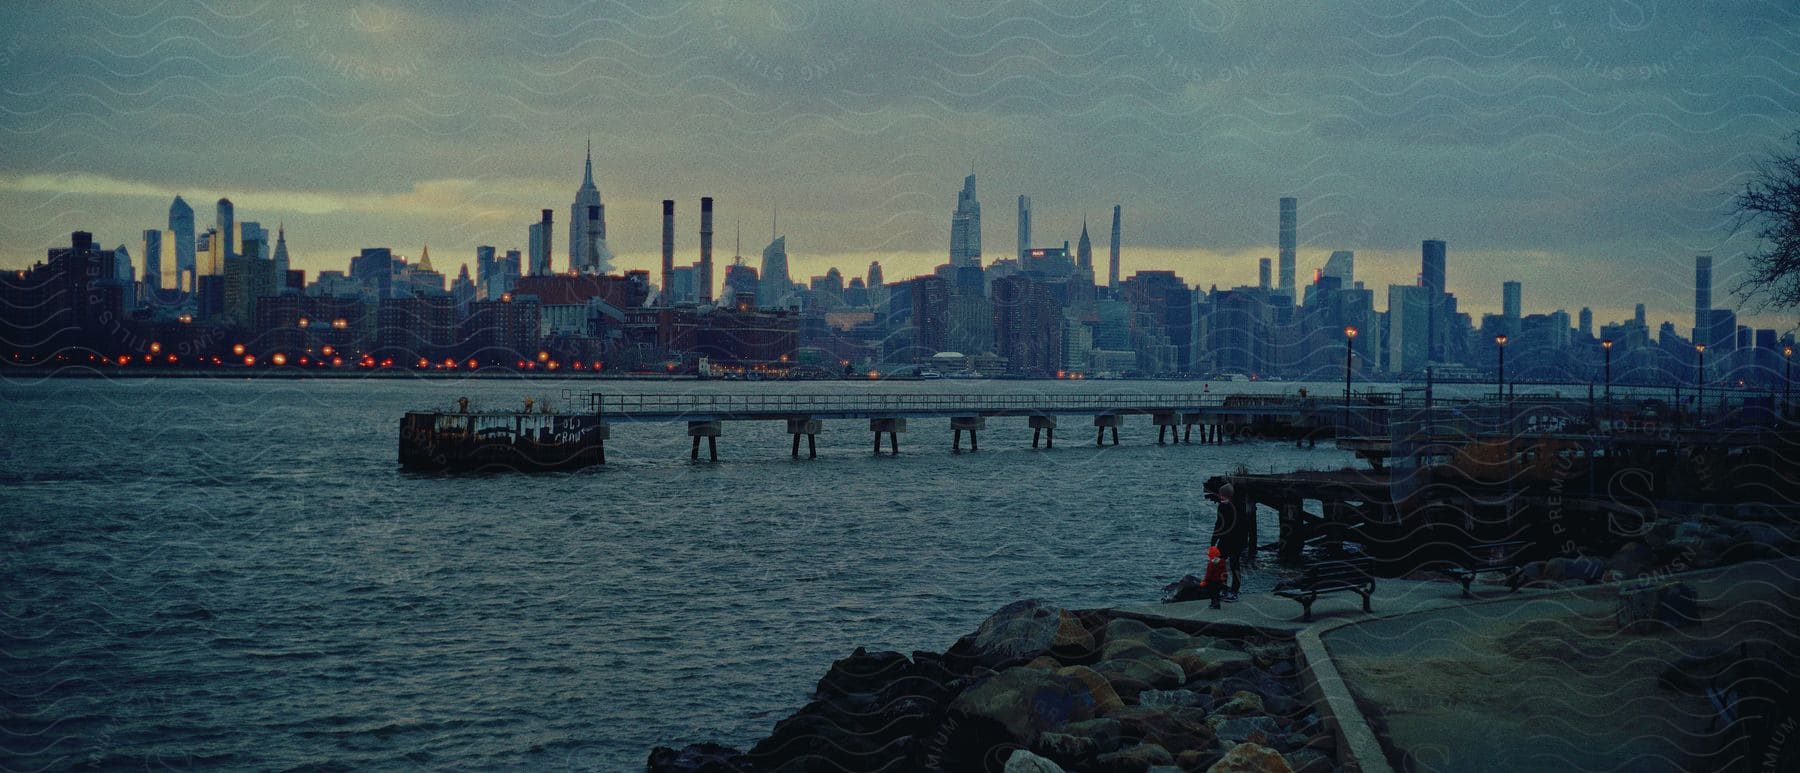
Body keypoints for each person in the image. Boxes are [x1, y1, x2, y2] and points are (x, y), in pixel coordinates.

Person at [1209, 483, 1247, 601]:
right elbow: (1245, 525)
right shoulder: (1240, 506)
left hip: (1226, 540)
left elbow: (1219, 524)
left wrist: (1213, 540)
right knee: (1235, 565)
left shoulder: (1222, 507)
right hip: (1239, 539)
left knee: (1220, 564)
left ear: (1223, 495)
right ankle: (1234, 591)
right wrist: (1246, 541)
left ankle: (1223, 587)